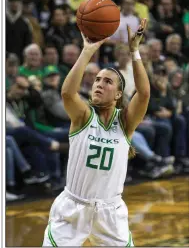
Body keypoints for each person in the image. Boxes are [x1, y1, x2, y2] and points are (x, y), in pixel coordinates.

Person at [42, 18, 150, 246]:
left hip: (110, 212)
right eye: (97, 80)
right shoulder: (83, 116)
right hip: (73, 208)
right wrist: (87, 51)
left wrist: (135, 52)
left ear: (119, 94)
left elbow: (144, 93)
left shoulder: (125, 124)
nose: (99, 84)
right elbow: (68, 94)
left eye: (108, 81)